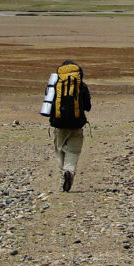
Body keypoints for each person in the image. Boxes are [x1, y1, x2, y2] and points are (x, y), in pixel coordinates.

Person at [49, 60, 91, 192]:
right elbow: (88, 107)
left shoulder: (55, 85)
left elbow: (48, 105)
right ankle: (69, 171)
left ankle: (64, 174)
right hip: (77, 125)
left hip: (59, 125)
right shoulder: (81, 86)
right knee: (73, 151)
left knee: (60, 150)